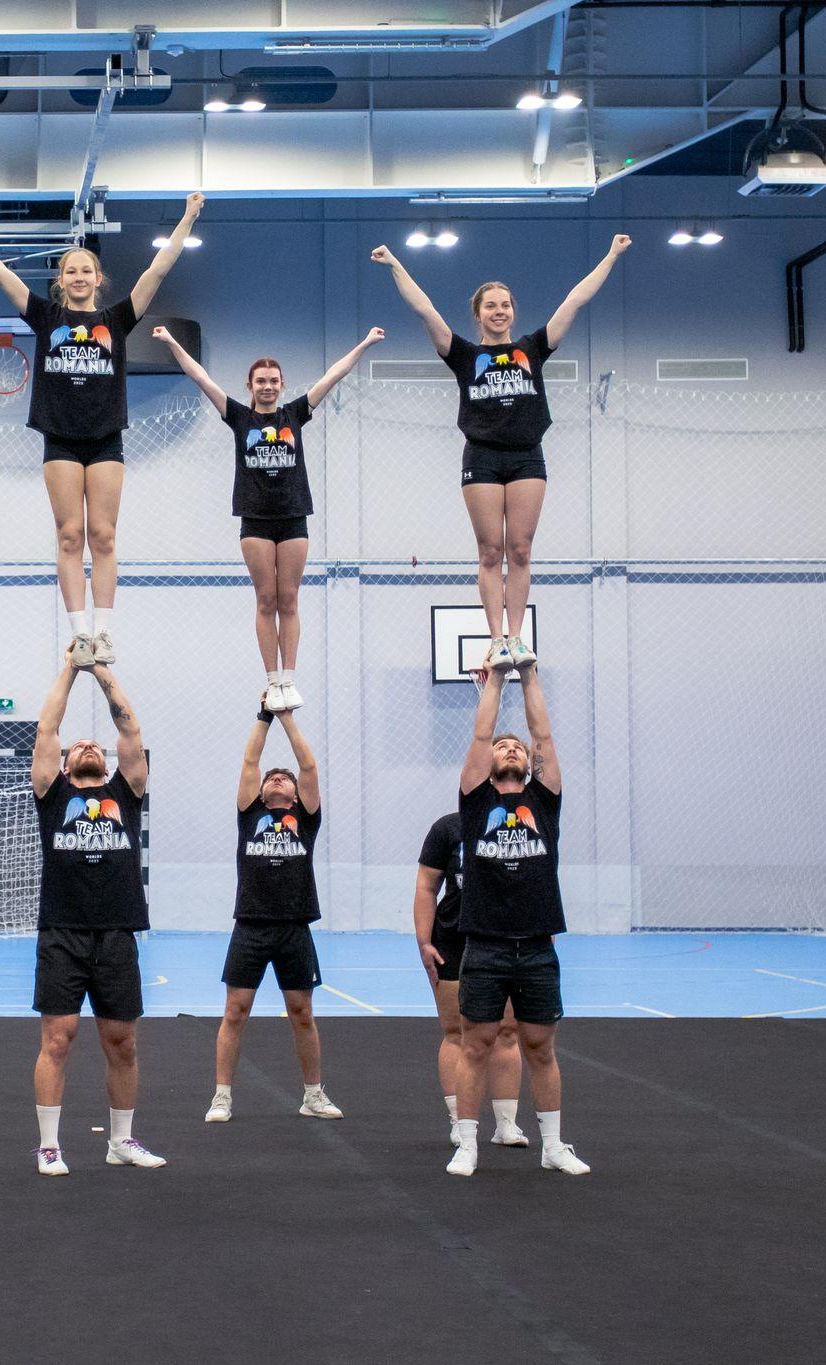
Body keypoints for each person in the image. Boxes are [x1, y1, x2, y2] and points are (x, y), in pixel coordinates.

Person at [0, 195, 203, 667]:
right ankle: (80, 634)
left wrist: (187, 218)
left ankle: (103, 632)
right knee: (69, 536)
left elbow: (157, 270)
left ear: (99, 279)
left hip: (105, 438)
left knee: (103, 536)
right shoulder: (46, 317)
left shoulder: (116, 320)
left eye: (86, 270)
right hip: (59, 437)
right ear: (61, 281)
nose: (79, 277)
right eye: (71, 271)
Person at [372, 235, 631, 670]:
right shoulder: (465, 355)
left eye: (505, 305)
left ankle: (516, 637)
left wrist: (611, 255)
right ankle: (496, 641)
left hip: (527, 456)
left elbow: (575, 300)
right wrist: (395, 264)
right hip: (482, 458)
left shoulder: (532, 349)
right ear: (478, 314)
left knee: (521, 550)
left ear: (513, 311)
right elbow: (425, 310)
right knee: (491, 551)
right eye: (491, 306)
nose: (499, 311)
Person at [153, 326, 384, 711]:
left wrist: (364, 343)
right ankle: (273, 681)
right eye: (260, 381)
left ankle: (289, 680)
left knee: (289, 599)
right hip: (255, 520)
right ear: (250, 385)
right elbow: (201, 377)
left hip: (293, 517)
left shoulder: (295, 414)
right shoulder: (240, 418)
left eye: (273, 381)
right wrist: (172, 342)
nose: (267, 386)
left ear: (282, 384)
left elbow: (333, 375)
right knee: (266, 599)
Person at [448, 661, 587, 1177]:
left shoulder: (543, 802)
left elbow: (542, 734)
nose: (510, 749)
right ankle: (467, 1144)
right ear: (487, 763)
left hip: (536, 946)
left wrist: (528, 674)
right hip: (484, 945)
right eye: (502, 747)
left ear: (530, 764)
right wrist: (497, 678)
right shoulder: (474, 801)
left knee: (540, 1047)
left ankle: (553, 1146)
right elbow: (481, 734)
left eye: (518, 748)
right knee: (476, 1046)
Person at [28, 654, 163, 1175]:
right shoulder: (52, 793)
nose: (86, 745)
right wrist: (71, 667)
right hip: (62, 933)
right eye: (77, 746)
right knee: (57, 1039)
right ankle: (49, 1146)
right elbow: (47, 728)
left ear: (107, 766)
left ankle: (120, 1141)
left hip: (116, 934)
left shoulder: (125, 794)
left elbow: (130, 730)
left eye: (94, 746)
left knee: (123, 1044)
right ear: (64, 765)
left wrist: (101, 668)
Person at [205, 700, 342, 1123]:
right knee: (235, 1011)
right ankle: (222, 1096)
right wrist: (265, 716)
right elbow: (251, 761)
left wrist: (287, 716)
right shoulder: (250, 816)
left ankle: (313, 1095)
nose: (277, 779)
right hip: (250, 927)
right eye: (271, 779)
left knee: (302, 1012)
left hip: (294, 928)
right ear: (260, 793)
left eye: (285, 778)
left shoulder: (306, 819)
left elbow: (309, 766)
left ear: (296, 794)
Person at [415, 811, 527, 1149]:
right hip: (453, 939)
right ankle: (458, 1122)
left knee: (507, 1031)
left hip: (507, 937)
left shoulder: (526, 827)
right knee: (457, 1032)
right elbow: (426, 886)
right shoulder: (448, 828)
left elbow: (541, 880)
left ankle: (506, 1124)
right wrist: (424, 941)